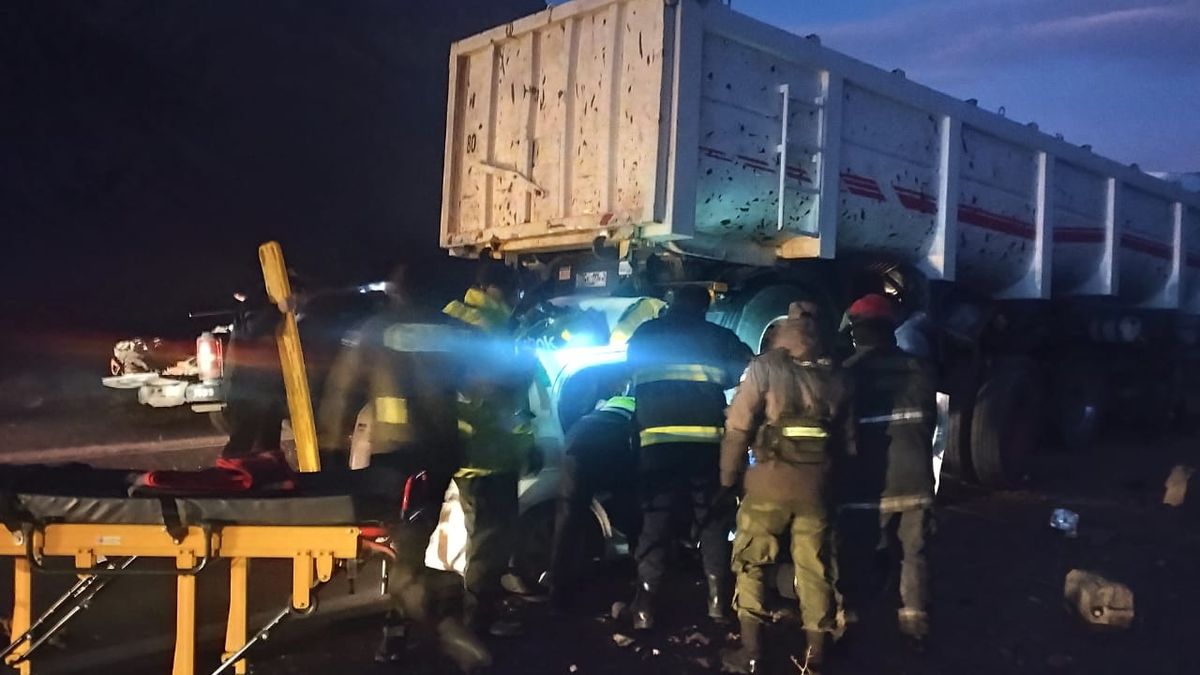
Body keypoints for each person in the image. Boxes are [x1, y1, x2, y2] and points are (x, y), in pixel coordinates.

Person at [317, 268, 490, 672]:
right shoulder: (450, 330)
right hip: (439, 454)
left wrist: (329, 457)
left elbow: (341, 394)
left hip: (394, 457)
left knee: (403, 555)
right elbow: (481, 387)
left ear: (394, 292)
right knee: (409, 545)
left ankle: (440, 632)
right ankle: (400, 629)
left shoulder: (374, 330)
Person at [719, 317, 852, 675]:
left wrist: (728, 478)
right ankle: (815, 657)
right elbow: (848, 444)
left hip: (767, 486)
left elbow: (738, 427)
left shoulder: (764, 368)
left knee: (751, 563)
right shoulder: (837, 376)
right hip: (815, 490)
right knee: (815, 567)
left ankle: (750, 655)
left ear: (779, 337)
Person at [623, 285, 753, 630]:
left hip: (657, 445)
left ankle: (645, 610)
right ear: (704, 308)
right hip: (706, 445)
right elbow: (747, 367)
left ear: (672, 303)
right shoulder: (719, 336)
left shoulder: (646, 333)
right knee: (712, 521)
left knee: (656, 523)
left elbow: (629, 371)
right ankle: (717, 605)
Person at [837, 293, 938, 644]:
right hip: (915, 478)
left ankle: (850, 620)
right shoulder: (920, 368)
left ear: (857, 333)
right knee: (914, 553)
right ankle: (914, 625)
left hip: (869, 481)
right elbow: (930, 424)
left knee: (857, 550)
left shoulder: (848, 375)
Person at [443, 262, 533, 638]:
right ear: (502, 290)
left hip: (463, 450)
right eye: (517, 292)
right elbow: (501, 394)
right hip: (488, 454)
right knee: (489, 544)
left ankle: (479, 614)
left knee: (482, 538)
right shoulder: (493, 328)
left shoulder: (453, 316)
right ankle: (476, 628)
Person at [546, 393, 639, 610]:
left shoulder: (604, 404)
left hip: (575, 444)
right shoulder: (639, 406)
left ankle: (557, 593)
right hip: (612, 445)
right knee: (635, 507)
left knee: (567, 520)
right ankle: (638, 577)